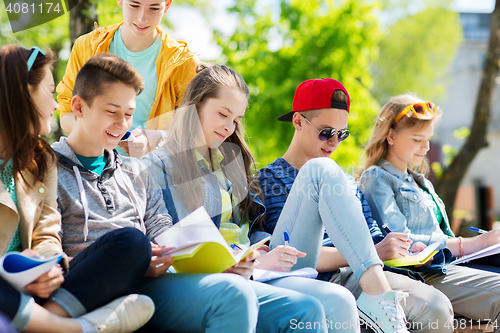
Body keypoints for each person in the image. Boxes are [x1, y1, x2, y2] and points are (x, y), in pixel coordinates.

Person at [144, 63, 370, 333]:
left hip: (253, 270)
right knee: (311, 305)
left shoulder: (229, 163)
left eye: (236, 120)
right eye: (223, 115)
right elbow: (166, 236)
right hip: (208, 276)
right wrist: (246, 260)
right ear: (195, 106)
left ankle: (377, 288)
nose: (229, 127)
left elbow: (247, 227)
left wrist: (261, 249)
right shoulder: (158, 164)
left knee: (334, 299)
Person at [53, 53, 266, 333]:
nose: (122, 123)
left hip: (145, 283)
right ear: (78, 107)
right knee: (131, 242)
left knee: (234, 291)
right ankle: (64, 321)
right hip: (85, 282)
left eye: (128, 114)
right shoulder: (48, 168)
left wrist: (162, 258)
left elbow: (162, 230)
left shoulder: (135, 172)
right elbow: (48, 243)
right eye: (111, 112)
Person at [257, 78, 448, 333]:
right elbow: (284, 255)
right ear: (298, 121)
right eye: (326, 132)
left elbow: (372, 237)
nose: (335, 142)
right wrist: (375, 252)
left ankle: (378, 300)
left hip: (358, 272)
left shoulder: (346, 181)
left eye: (342, 134)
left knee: (435, 307)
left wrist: (404, 248)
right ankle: (378, 299)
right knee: (323, 168)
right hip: (306, 274)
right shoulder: (268, 179)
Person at [0, 45, 154, 333]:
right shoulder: (57, 158)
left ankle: (50, 320)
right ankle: (68, 329)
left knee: (132, 244)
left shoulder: (40, 158)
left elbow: (46, 232)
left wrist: (48, 264)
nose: (57, 106)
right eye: (48, 91)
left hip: (31, 287)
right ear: (22, 94)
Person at [357, 94, 500, 330]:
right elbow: (399, 243)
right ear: (390, 135)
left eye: (428, 139)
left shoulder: (421, 182)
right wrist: (470, 244)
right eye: (417, 139)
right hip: (422, 275)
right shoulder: (376, 178)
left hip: (451, 267)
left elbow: (444, 235)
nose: (426, 147)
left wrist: (486, 243)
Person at [57, 0, 198, 157]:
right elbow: (67, 114)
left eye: (154, 8)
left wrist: (155, 138)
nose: (142, 18)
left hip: (150, 172)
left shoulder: (182, 62)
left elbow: (192, 130)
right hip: (91, 169)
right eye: (134, 5)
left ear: (167, 5)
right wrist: (110, 137)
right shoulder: (87, 46)